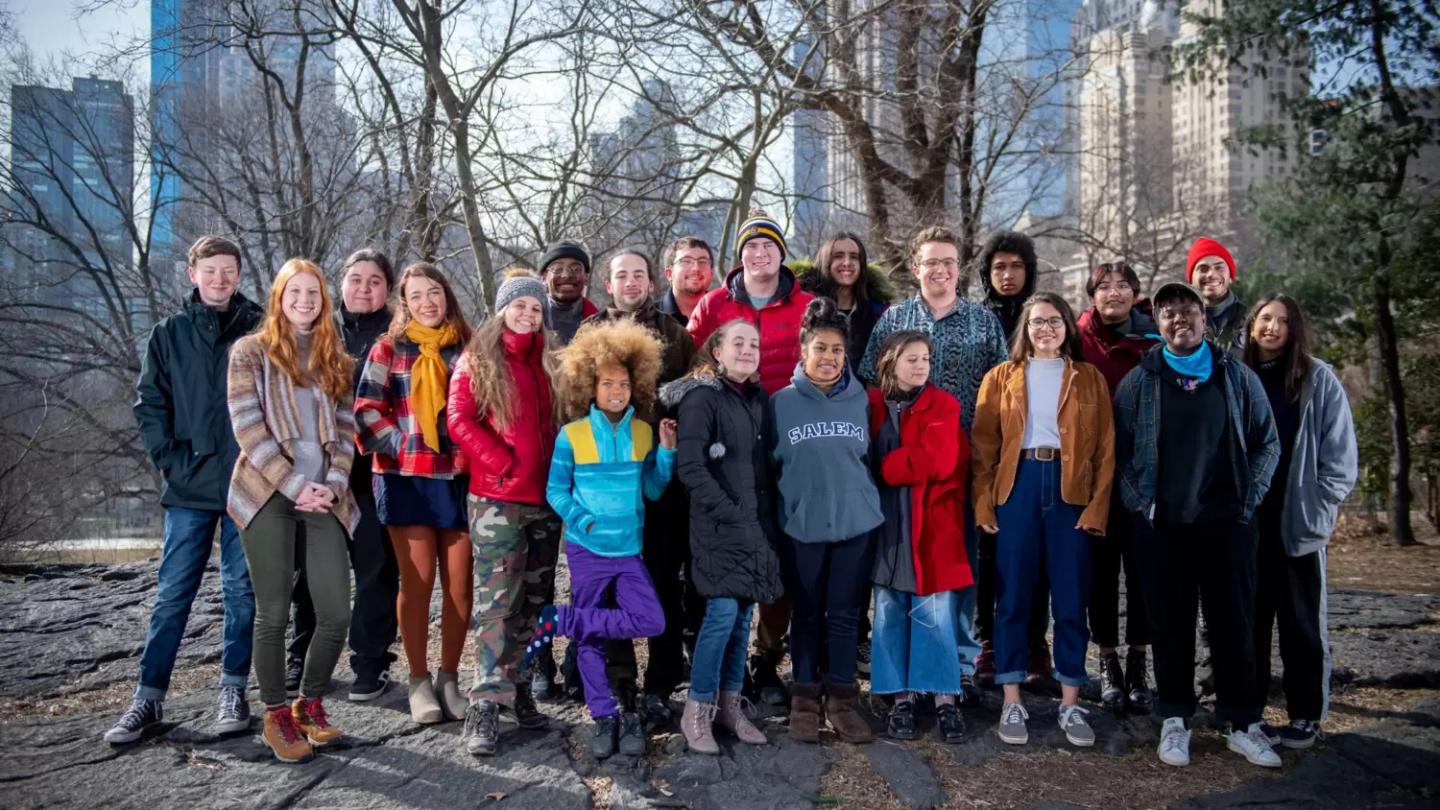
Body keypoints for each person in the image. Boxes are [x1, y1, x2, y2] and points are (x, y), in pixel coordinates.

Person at [1114, 281, 1282, 769]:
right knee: (1170, 624)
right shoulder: (1140, 379)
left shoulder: (1235, 375)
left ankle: (1242, 722)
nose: (1177, 318)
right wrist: (1139, 502)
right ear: (1158, 323)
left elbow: (1267, 441)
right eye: (1167, 312)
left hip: (1228, 522)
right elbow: (1120, 450)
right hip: (1163, 525)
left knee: (1235, 623)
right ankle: (1175, 719)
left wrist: (1249, 498)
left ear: (1204, 319)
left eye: (1187, 309)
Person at [106, 235, 264, 745]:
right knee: (173, 595)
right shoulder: (168, 334)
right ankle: (147, 699)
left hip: (247, 483)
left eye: (229, 270)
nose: (220, 279)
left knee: (243, 593)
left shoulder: (260, 330)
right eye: (210, 270)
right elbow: (149, 404)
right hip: (189, 485)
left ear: (239, 275)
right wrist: (173, 463)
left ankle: (234, 691)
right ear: (192, 273)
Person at [860, 225, 1009, 705]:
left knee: (956, 565)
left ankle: (957, 663)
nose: (940, 270)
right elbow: (869, 384)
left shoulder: (983, 322)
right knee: (898, 565)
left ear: (958, 267)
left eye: (949, 261)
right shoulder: (893, 320)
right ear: (916, 265)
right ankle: (903, 668)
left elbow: (1003, 390)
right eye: (931, 261)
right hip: (901, 468)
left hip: (959, 466)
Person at [522, 319, 677, 758]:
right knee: (591, 641)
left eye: (624, 383)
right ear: (590, 385)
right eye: (607, 383)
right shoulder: (572, 435)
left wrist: (666, 454)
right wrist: (582, 520)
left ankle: (561, 620)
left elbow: (651, 489)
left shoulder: (644, 433)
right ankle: (603, 713)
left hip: (629, 551)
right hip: (587, 550)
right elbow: (555, 489)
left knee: (652, 620)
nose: (616, 391)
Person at [226, 258, 359, 763]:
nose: (304, 300)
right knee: (274, 611)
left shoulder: (335, 359)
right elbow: (248, 429)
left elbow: (346, 431)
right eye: (294, 292)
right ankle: (276, 713)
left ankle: (309, 704)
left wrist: (334, 483)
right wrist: (294, 483)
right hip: (266, 494)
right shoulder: (251, 353)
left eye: (314, 293)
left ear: (324, 302)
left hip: (323, 494)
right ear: (279, 296)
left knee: (334, 612)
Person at [972, 292, 1115, 748]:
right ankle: (1011, 696)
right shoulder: (1001, 378)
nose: (1046, 329)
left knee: (1071, 598)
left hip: (1071, 490)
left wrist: (1096, 507)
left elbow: (1107, 451)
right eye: (1037, 322)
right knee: (1012, 594)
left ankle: (1071, 703)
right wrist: (984, 503)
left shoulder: (1089, 379)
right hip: (1018, 486)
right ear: (1026, 330)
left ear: (1068, 327)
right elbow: (983, 449)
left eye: (1054, 321)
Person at [687, 211, 813, 705]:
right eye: (749, 249)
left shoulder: (805, 304)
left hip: (788, 434)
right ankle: (718, 670)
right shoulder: (715, 303)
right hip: (728, 436)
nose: (759, 255)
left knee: (776, 549)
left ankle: (765, 657)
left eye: (768, 246)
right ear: (738, 259)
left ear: (782, 253)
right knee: (731, 548)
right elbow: (693, 363)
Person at [446, 272, 563, 756]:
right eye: (520, 307)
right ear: (502, 310)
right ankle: (485, 705)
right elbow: (459, 419)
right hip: (497, 501)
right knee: (498, 602)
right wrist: (502, 461)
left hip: (547, 502)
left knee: (537, 602)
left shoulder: (552, 362)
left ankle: (518, 691)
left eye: (536, 309)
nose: (528, 315)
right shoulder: (479, 358)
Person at [354, 262, 473, 727]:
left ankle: (449, 678)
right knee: (418, 581)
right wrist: (406, 445)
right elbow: (365, 411)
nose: (428, 302)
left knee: (460, 586)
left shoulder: (465, 346)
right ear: (405, 302)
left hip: (458, 477)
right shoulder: (389, 347)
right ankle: (418, 681)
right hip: (405, 477)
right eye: (418, 295)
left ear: (447, 296)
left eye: (435, 292)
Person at [584, 249, 699, 728]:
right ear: (608, 284)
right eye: (620, 275)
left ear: (652, 281)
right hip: (608, 481)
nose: (630, 282)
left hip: (663, 478)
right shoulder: (589, 335)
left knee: (661, 580)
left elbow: (696, 394)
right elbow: (573, 403)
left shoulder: (675, 334)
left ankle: (663, 676)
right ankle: (619, 678)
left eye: (638, 274)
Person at [662, 319, 782, 754]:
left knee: (743, 617)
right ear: (717, 351)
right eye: (739, 343)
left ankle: (730, 705)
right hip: (718, 525)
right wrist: (731, 512)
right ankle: (697, 710)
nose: (748, 350)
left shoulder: (756, 398)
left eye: (754, 343)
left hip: (755, 525)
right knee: (720, 616)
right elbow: (692, 468)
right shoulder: (702, 398)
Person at [1245, 295, 1357, 750]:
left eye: (1283, 321)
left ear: (1295, 330)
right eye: (1265, 318)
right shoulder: (1236, 375)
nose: (1272, 327)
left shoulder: (1317, 378)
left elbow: (1340, 458)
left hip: (1296, 521)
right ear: (1252, 325)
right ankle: (1246, 712)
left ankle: (1305, 715)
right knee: (1248, 623)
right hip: (1247, 523)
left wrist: (1320, 507)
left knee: (1301, 625)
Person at [771, 297, 885, 744]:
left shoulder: (861, 401)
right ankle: (803, 699)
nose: (829, 358)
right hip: (802, 529)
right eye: (821, 348)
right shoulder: (780, 404)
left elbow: (872, 460)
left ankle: (841, 701)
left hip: (856, 526)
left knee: (844, 616)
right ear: (803, 350)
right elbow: (769, 469)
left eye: (837, 350)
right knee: (806, 615)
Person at [287, 249, 399, 703]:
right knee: (313, 569)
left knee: (376, 569)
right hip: (320, 470)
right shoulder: (318, 332)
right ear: (341, 284)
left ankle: (370, 663)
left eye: (374, 281)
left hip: (374, 473)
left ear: (387, 289)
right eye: (355, 280)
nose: (364, 288)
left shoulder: (399, 335)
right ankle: (304, 655)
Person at [865, 331, 972, 744]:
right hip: (886, 523)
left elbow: (938, 460)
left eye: (926, 358)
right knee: (890, 610)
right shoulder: (871, 404)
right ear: (890, 361)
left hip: (932, 523)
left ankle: (945, 698)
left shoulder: (942, 404)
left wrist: (886, 467)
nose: (920, 365)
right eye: (911, 358)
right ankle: (901, 698)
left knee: (936, 612)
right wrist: (902, 466)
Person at [1076, 262, 1160, 712]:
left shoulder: (1154, 339)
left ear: (1135, 294)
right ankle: (1107, 659)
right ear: (1092, 295)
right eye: (1104, 286)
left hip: (1143, 474)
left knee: (1143, 570)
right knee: (1101, 573)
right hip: (1093, 476)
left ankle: (1139, 659)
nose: (1113, 292)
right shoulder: (1077, 339)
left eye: (1122, 285)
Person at [973, 230, 1050, 689]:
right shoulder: (979, 319)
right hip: (991, 450)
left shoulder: (1044, 318)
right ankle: (990, 643)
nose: (1007, 274)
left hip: (1037, 453)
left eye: (1015, 266)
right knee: (990, 550)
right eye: (999, 267)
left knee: (1036, 554)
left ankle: (1035, 644)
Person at [799, 232, 890, 370]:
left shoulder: (879, 312)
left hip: (864, 390)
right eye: (838, 256)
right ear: (825, 262)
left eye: (854, 257)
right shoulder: (807, 308)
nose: (847, 263)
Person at [1187, 237, 1245, 356]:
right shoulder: (1178, 324)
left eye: (1219, 268)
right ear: (1191, 280)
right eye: (1203, 269)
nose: (1211, 274)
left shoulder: (1250, 321)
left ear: (1230, 277)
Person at [539, 240, 600, 345]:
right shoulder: (530, 321)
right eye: (557, 269)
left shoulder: (601, 324)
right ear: (544, 277)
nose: (566, 275)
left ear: (586, 278)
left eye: (576, 269)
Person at [657, 236, 715, 327]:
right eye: (686, 261)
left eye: (702, 261)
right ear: (669, 273)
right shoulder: (649, 320)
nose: (696, 268)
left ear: (712, 273)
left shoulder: (726, 316)